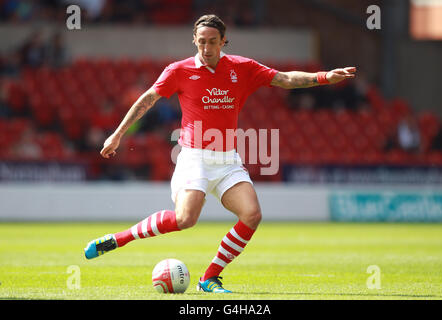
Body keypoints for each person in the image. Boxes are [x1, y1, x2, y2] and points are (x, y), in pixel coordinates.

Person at [83, 14, 356, 293]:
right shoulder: (179, 70)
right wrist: (118, 135)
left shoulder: (242, 67)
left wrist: (324, 77)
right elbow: (147, 99)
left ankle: (209, 278)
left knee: (252, 215)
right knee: (185, 219)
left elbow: (285, 79)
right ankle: (119, 239)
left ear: (223, 41)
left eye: (212, 41)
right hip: (194, 157)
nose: (206, 48)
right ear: (194, 40)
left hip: (227, 160)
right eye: (201, 41)